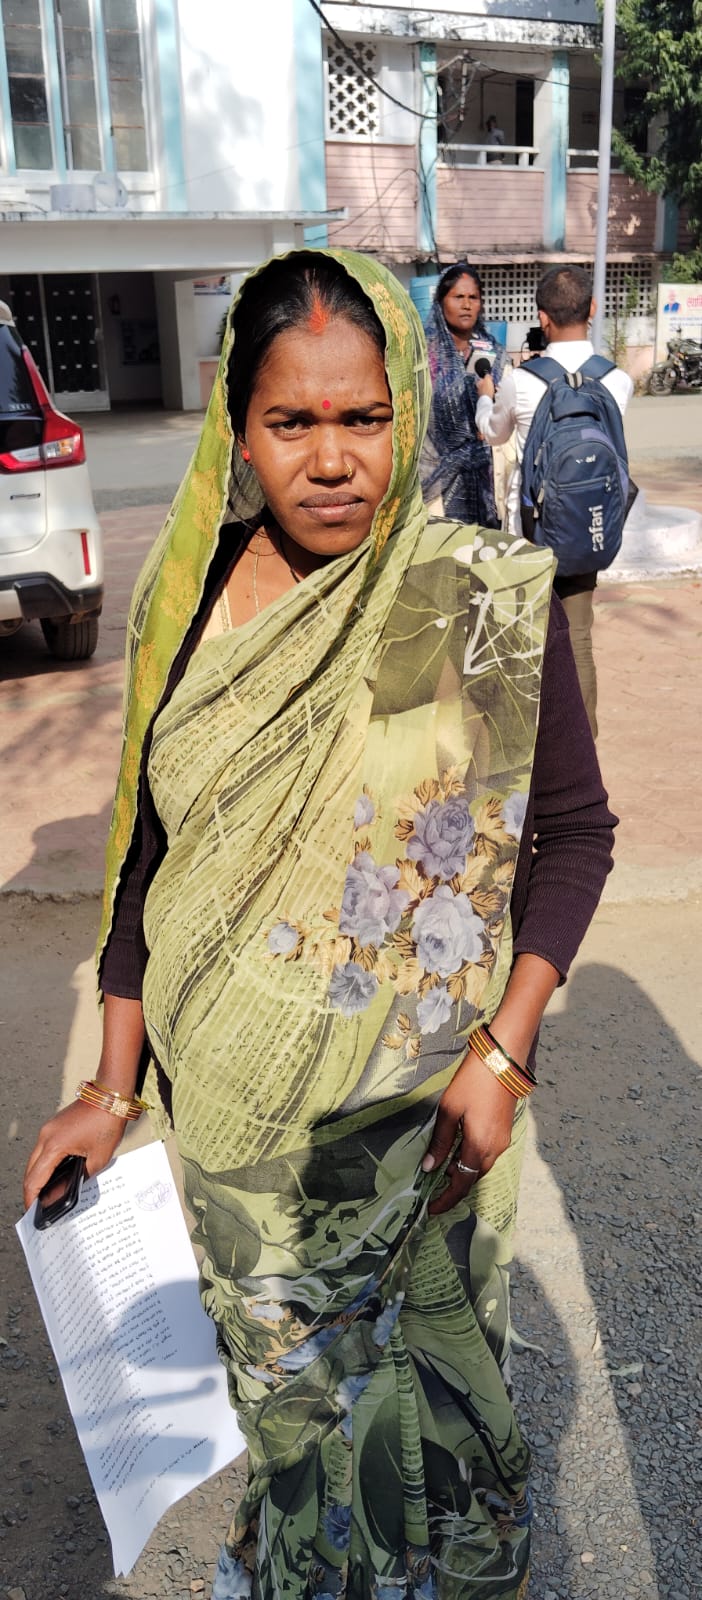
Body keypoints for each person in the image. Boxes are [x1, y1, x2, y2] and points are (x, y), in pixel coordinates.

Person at [24, 249, 616, 1600]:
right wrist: (109, 1089)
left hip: (422, 1133)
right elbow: (147, 860)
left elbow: (575, 835)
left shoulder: (475, 598)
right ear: (239, 429)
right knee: (291, 1422)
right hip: (238, 1149)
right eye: (292, 421)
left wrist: (505, 1053)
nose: (333, 458)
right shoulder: (186, 607)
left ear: (406, 411)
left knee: (434, 1423)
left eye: (363, 418)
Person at [475, 263, 633, 738]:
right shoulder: (617, 380)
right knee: (578, 640)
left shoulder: (522, 381)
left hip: (530, 534)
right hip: (589, 527)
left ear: (542, 318)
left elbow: (493, 434)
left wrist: (485, 397)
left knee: (523, 638)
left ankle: (526, 742)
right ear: (593, 308)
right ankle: (582, 746)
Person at [420, 261, 507, 527]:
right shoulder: (424, 355)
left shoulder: (493, 352)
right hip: (436, 480)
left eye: (473, 297)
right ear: (441, 302)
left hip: (487, 480)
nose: (467, 305)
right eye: (458, 297)